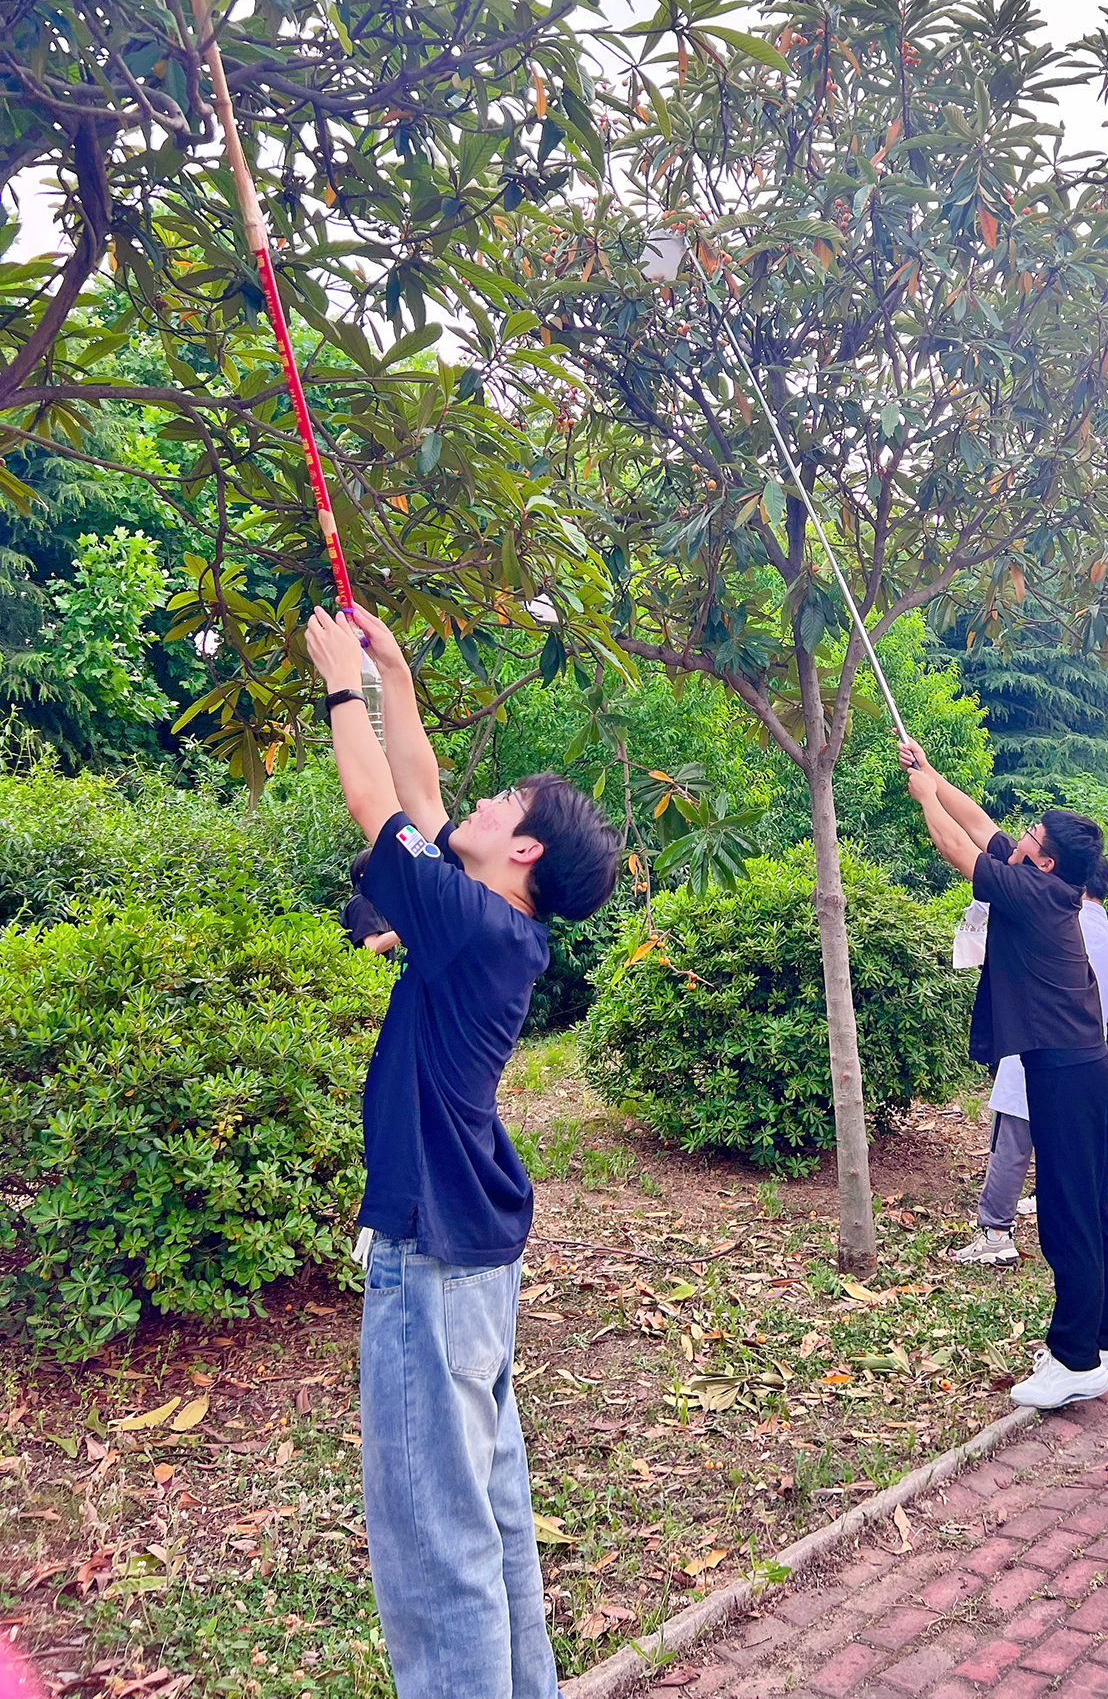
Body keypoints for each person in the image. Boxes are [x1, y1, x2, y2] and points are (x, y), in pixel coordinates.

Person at [303, 602, 621, 1699]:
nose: (481, 803)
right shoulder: (489, 922)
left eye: (506, 803)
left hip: (432, 1260)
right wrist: (393, 673)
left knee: (438, 1550)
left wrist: (341, 684)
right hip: (472, 1264)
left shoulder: (475, 924)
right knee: (488, 1518)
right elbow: (426, 798)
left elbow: (378, 804)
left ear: (525, 849)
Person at [901, 744, 1108, 1409]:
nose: (1020, 834)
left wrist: (923, 800)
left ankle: (1075, 1359)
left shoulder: (1034, 894)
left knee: (1066, 1214)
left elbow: (955, 846)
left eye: (1032, 833)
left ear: (1047, 860)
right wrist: (931, 773)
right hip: (1083, 1069)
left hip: (1066, 1075)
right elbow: (978, 824)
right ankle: (1105, 1339)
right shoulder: (1044, 880)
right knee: (1090, 1203)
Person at [955, 856, 1108, 1269]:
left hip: (1035, 1051)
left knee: (1012, 1145)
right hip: (1088, 1062)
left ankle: (995, 1233)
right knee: (1074, 1157)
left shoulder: (1048, 920)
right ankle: (1070, 1234)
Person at [342, 847, 401, 957]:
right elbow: (372, 947)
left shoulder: (377, 905)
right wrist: (408, 929)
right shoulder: (362, 902)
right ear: (363, 873)